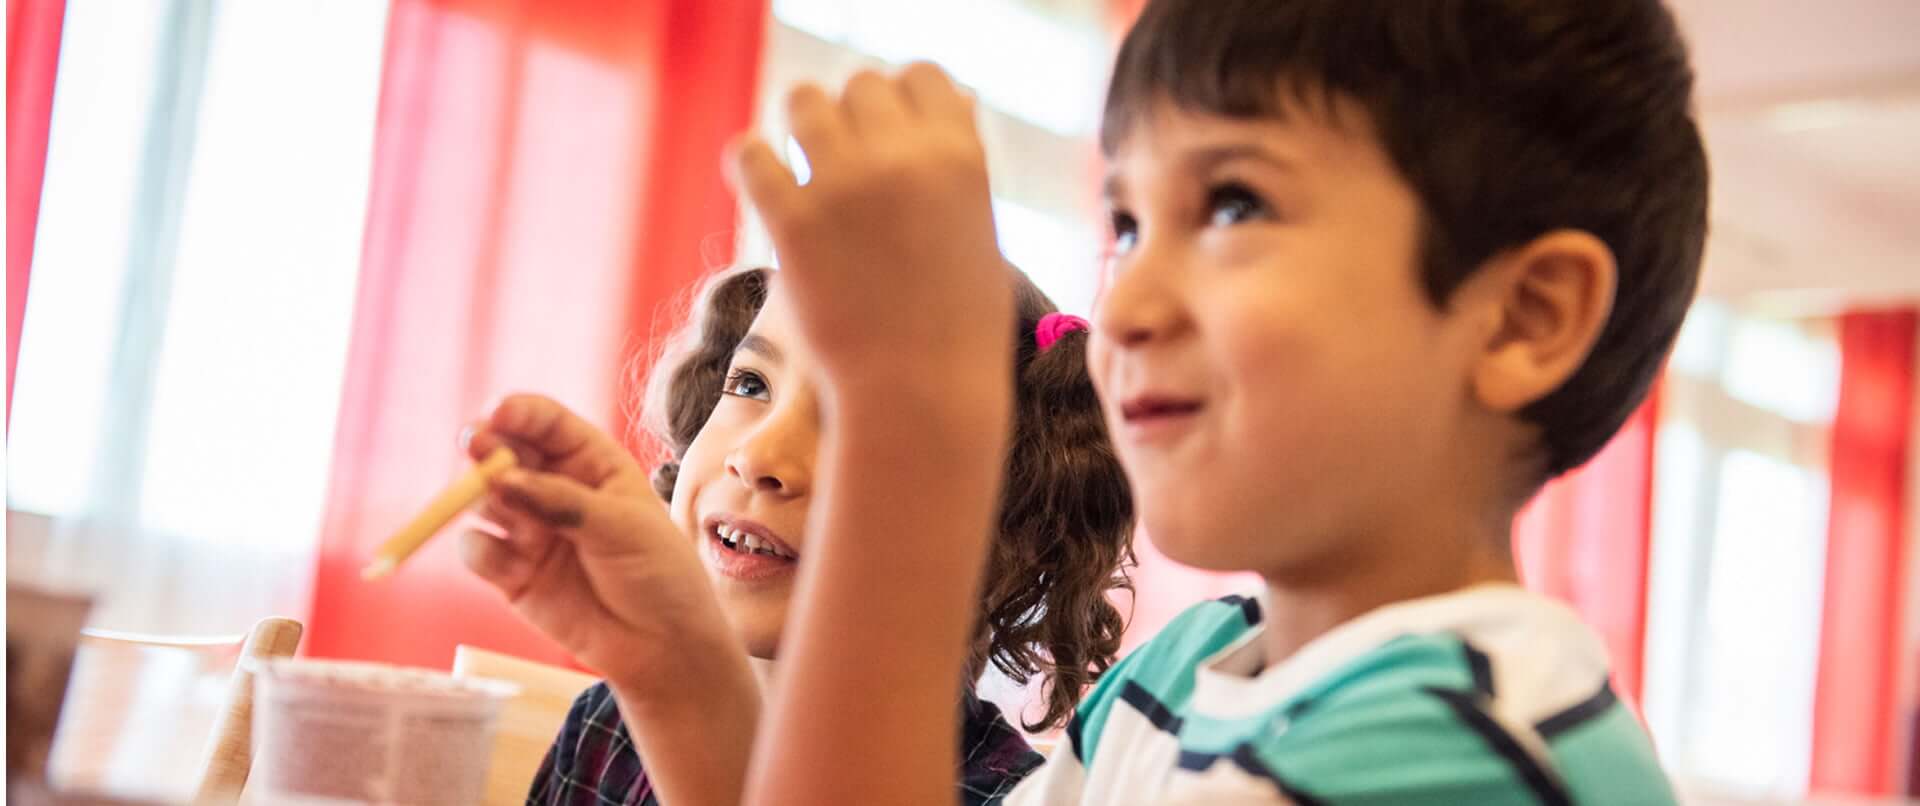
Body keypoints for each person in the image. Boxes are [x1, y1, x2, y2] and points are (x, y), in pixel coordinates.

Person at [728, 0, 1708, 803]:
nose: (1125, 310)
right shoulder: (1183, 669)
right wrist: (673, 661)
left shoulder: (1463, 746)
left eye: (1235, 204)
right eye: (1126, 224)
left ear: (1522, 320)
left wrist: (914, 429)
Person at [459, 265, 1133, 805]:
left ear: (1012, 527)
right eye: (751, 383)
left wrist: (676, 691)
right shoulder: (609, 728)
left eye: (863, 423)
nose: (757, 456)